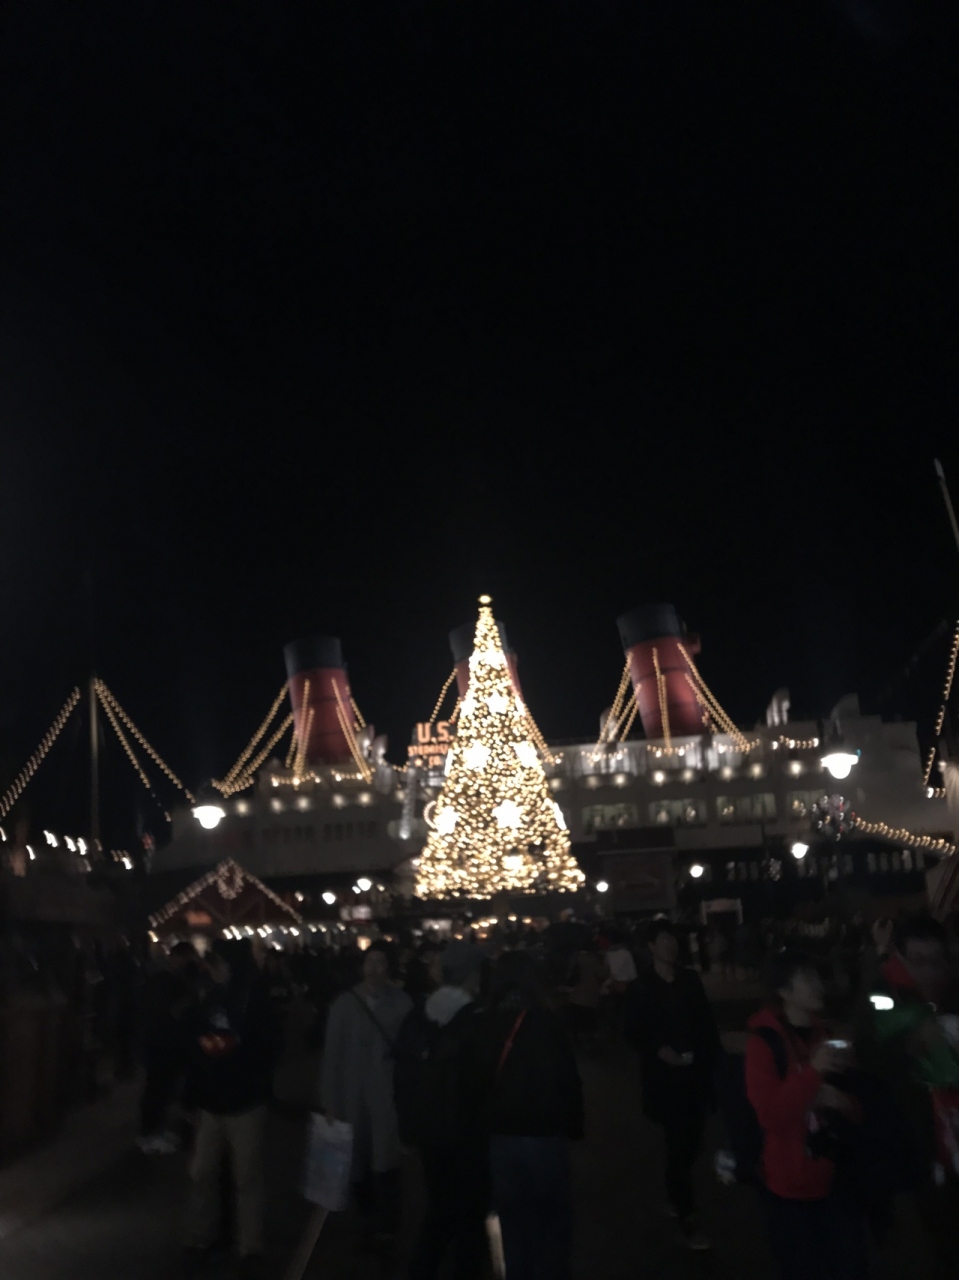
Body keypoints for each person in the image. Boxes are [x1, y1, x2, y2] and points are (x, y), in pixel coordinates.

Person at [746, 949, 867, 1280]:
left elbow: (853, 1104)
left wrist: (841, 1101)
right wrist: (813, 1078)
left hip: (833, 1178)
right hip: (790, 1187)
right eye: (807, 979)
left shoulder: (823, 1037)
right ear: (784, 991)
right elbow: (770, 1116)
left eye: (817, 976)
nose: (818, 985)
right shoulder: (764, 1044)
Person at [856, 916, 959, 1276]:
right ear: (899, 955)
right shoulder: (883, 993)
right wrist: (912, 1044)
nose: (931, 971)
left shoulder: (951, 986)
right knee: (935, 1229)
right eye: (921, 961)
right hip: (915, 1134)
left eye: (938, 959)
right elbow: (871, 1050)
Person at [483, 949, 583, 1280]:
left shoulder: (486, 1019)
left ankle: (519, 1272)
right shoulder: (545, 1020)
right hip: (544, 1132)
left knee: (513, 1216)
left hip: (501, 1134)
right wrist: (573, 1124)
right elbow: (567, 1077)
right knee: (552, 1214)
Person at [183, 940, 279, 1277]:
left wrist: (237, 1053)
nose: (215, 968)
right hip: (212, 1101)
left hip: (245, 1100)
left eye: (220, 962)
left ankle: (250, 1245)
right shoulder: (210, 997)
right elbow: (195, 1039)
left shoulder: (254, 998)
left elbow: (268, 1047)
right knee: (201, 1171)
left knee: (247, 1176)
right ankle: (202, 1237)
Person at [395, 940, 489, 1280]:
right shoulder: (475, 1021)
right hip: (468, 1132)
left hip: (430, 1132)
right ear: (471, 976)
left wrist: (407, 1128)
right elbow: (483, 1083)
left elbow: (403, 1077)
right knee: (470, 1213)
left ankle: (423, 1269)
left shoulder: (418, 1017)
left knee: (440, 1205)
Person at [625, 919, 719, 1249]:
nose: (670, 945)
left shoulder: (689, 980)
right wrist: (657, 1049)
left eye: (672, 939)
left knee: (692, 1142)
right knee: (679, 1141)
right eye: (663, 939)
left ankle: (673, 1188)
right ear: (651, 946)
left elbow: (706, 1022)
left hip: (693, 1072)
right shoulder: (641, 987)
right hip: (665, 1078)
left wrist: (712, 1059)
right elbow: (634, 1029)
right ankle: (687, 1215)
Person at [321, 941, 413, 1240]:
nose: (374, 969)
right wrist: (330, 1101)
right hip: (352, 1094)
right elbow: (332, 1056)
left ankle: (386, 1225)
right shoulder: (344, 1004)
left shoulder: (402, 1003)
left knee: (386, 1162)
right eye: (369, 962)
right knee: (357, 1162)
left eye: (381, 962)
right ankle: (370, 1220)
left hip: (388, 1095)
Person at [137, 940, 198, 1154]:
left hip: (163, 1043)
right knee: (157, 1089)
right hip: (160, 1043)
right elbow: (166, 1014)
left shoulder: (167, 980)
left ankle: (154, 1131)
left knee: (162, 1089)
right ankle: (148, 1134)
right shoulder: (164, 982)